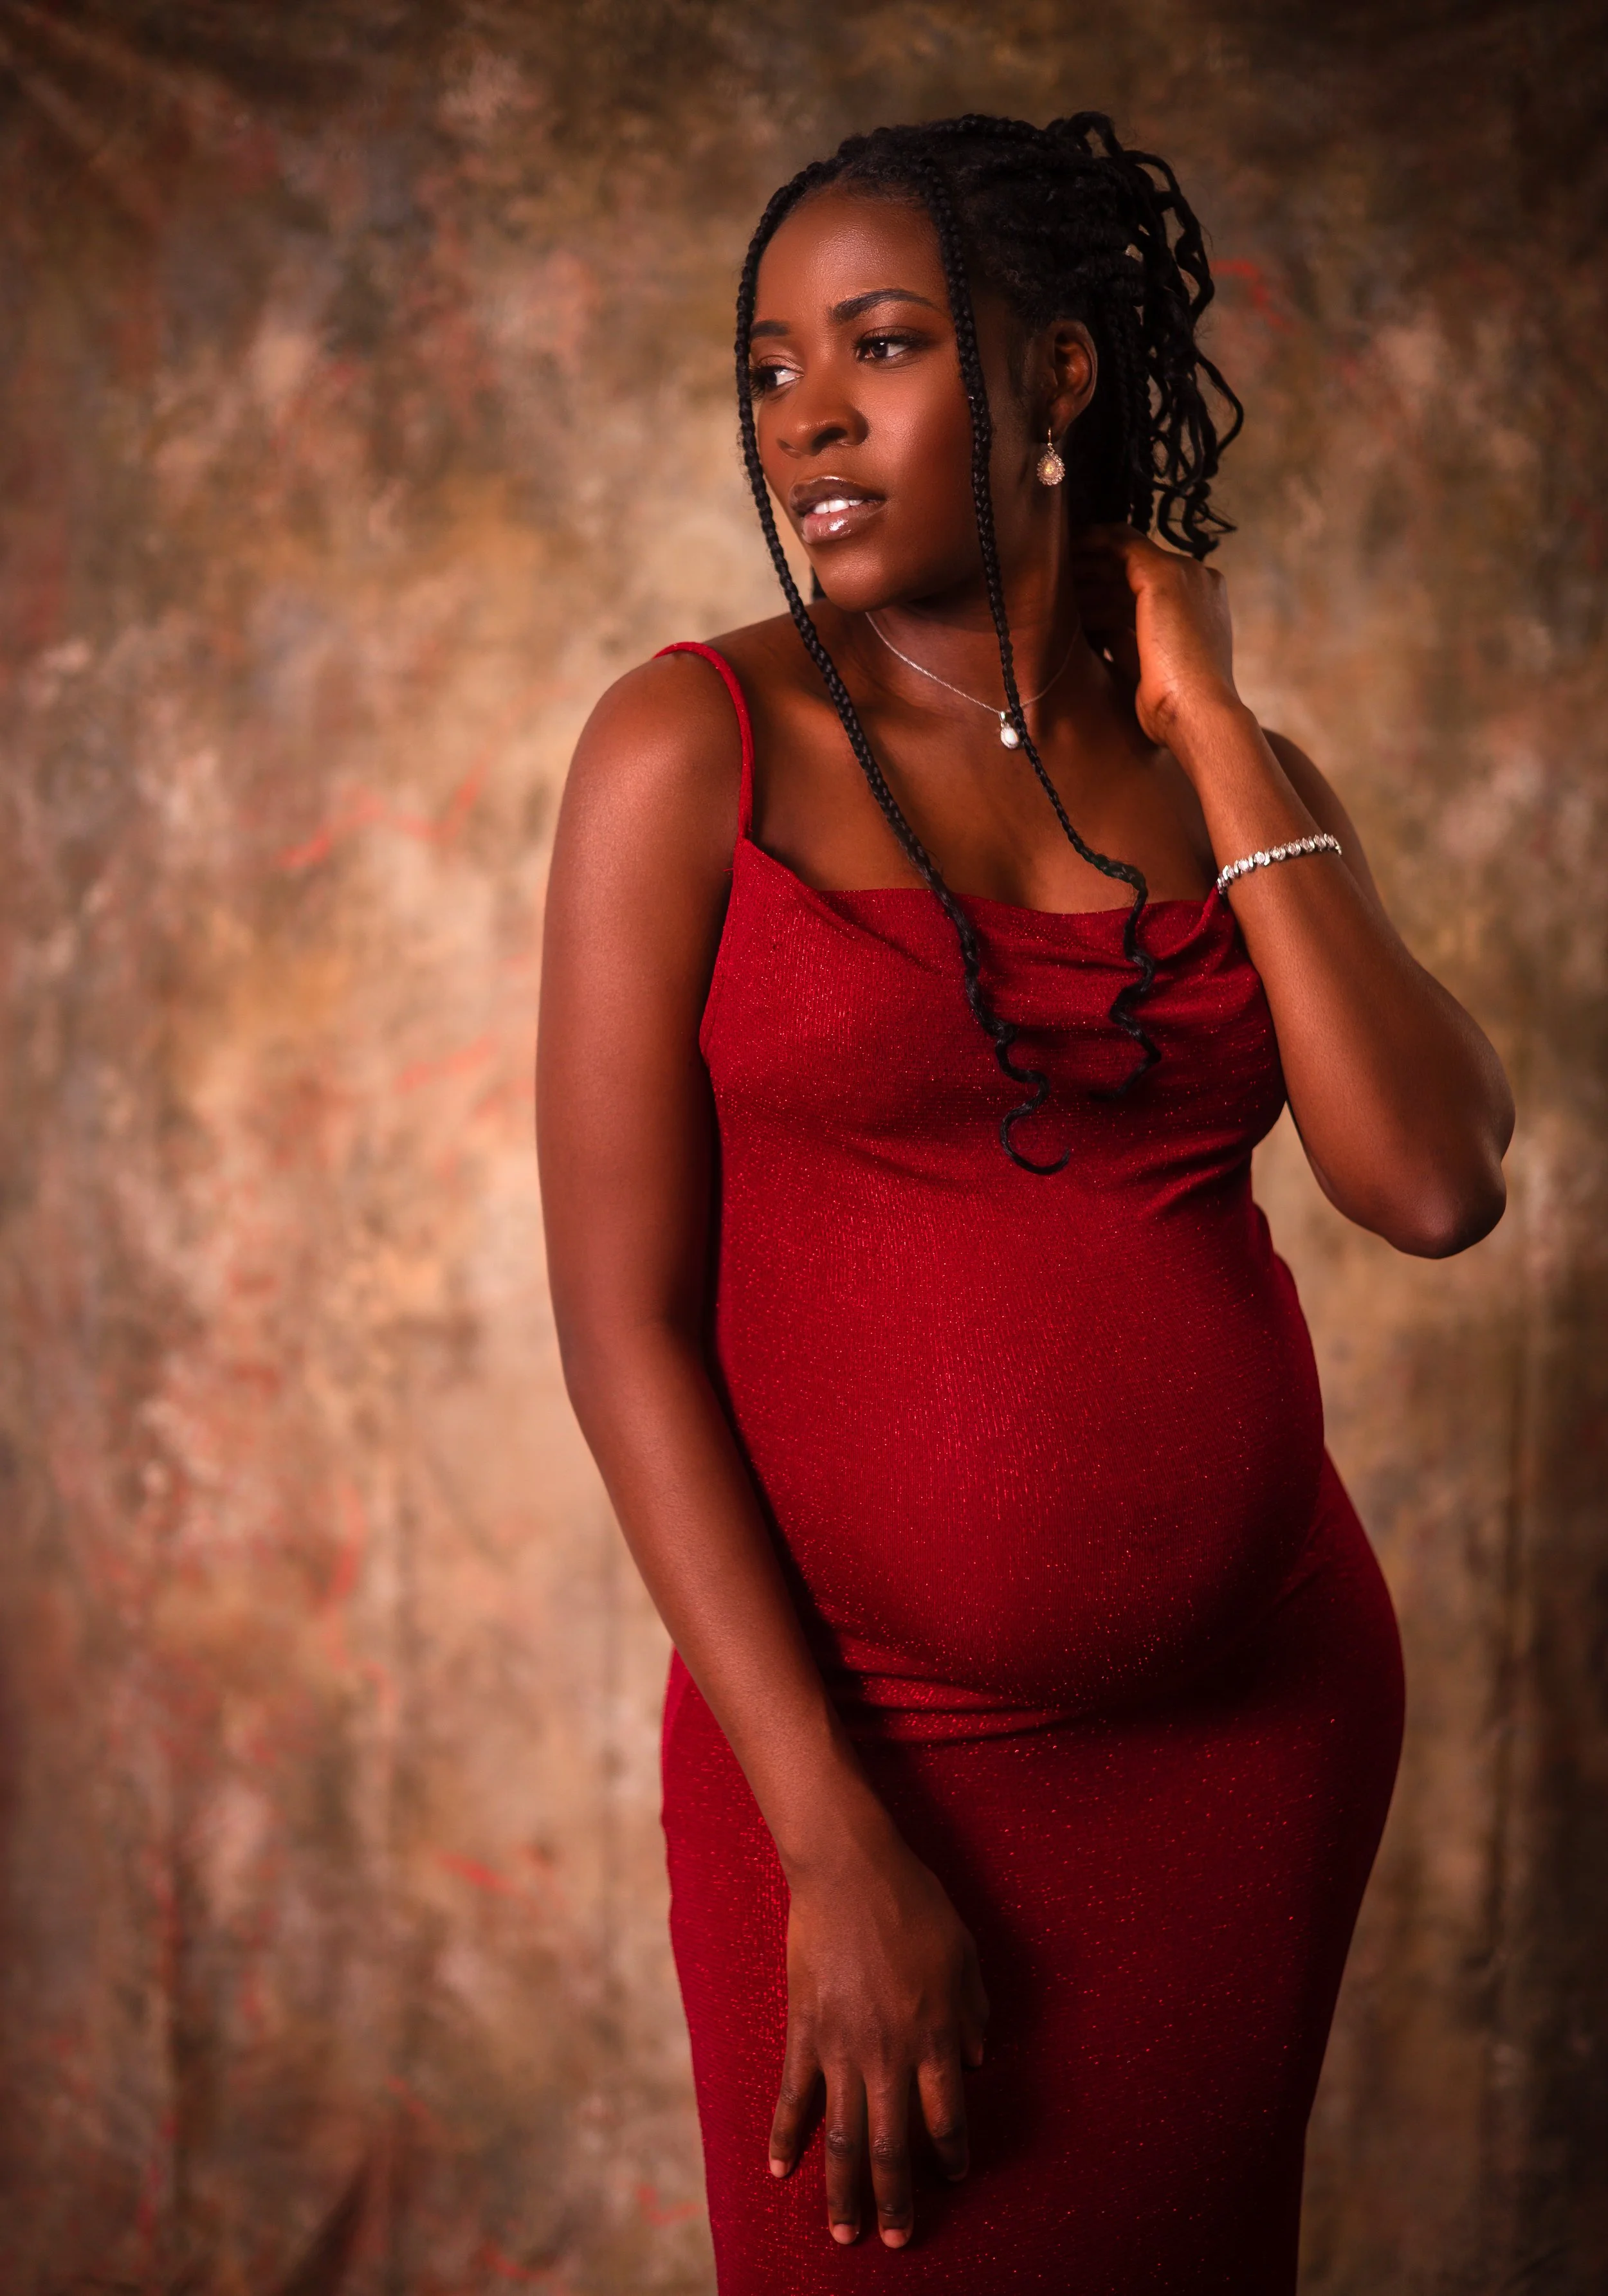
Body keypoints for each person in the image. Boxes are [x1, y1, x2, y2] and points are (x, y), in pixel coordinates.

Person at [536, 113, 1513, 2295]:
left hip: (1251, 1741)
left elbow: (1431, 1181)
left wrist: (1224, 730)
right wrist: (831, 1842)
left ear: (1056, 373)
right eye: (770, 367)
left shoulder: (1203, 770)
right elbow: (622, 1329)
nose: (806, 418)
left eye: (876, 348)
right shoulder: (688, 746)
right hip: (864, 1760)